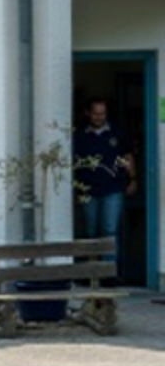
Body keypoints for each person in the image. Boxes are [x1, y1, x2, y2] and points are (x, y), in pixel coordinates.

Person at [73, 97, 136, 253]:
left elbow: (127, 156)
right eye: (96, 114)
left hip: (113, 188)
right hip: (87, 190)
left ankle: (109, 274)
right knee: (90, 233)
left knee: (110, 231)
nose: (99, 117)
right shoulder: (79, 135)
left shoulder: (117, 132)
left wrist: (133, 179)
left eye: (103, 114)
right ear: (87, 113)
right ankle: (92, 274)